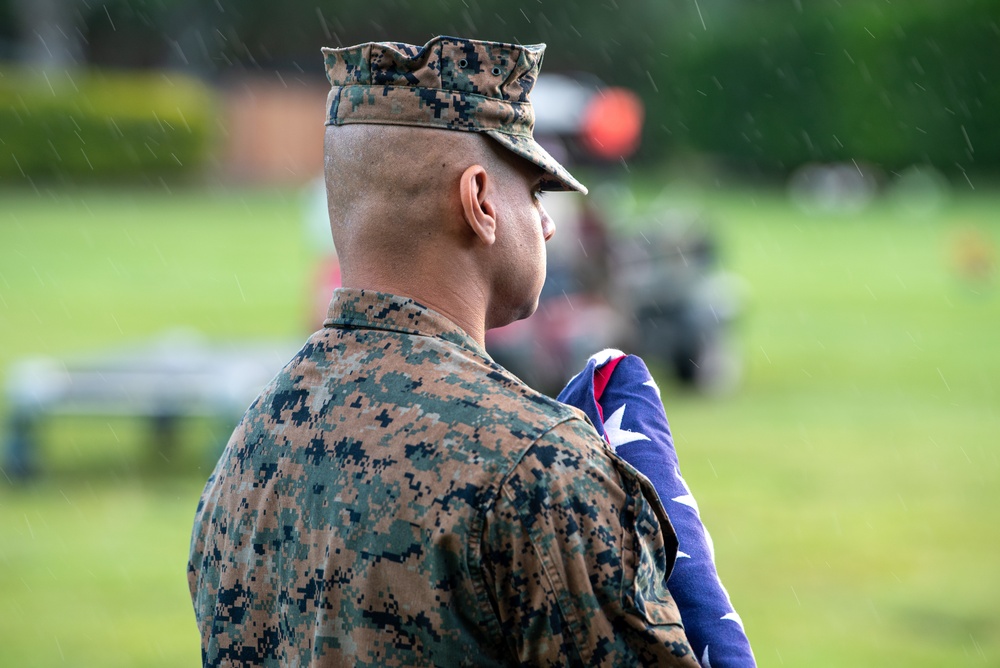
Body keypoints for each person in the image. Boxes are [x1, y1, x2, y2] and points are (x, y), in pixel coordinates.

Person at [188, 36, 699, 667]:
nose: (547, 223)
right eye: (535, 193)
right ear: (480, 200)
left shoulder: (250, 447)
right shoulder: (538, 469)